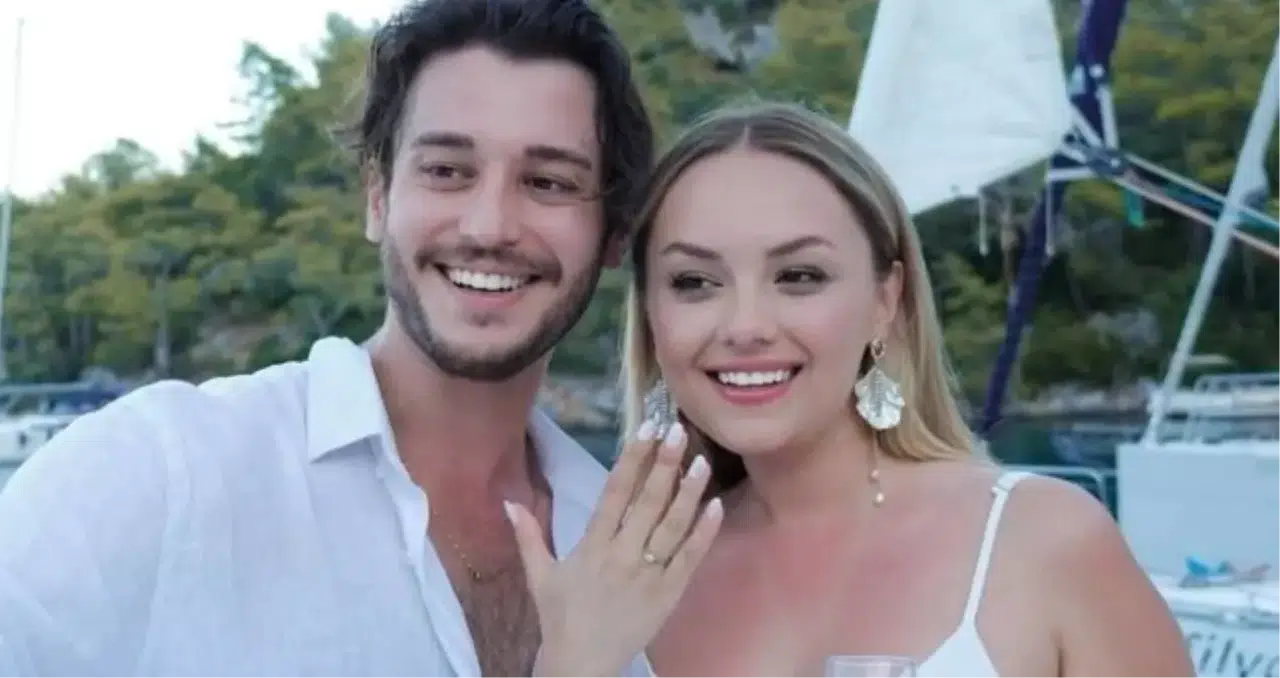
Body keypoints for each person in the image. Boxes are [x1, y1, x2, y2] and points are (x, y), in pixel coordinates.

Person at [0, 1, 719, 676]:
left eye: (549, 182)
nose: (489, 226)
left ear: (614, 234)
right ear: (378, 197)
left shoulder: (633, 551)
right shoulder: (158, 475)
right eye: (447, 171)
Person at [597, 100, 1192, 677]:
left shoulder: (1040, 541)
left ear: (886, 300)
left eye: (799, 276)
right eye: (695, 282)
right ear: (650, 314)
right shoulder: (629, 582)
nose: (745, 326)